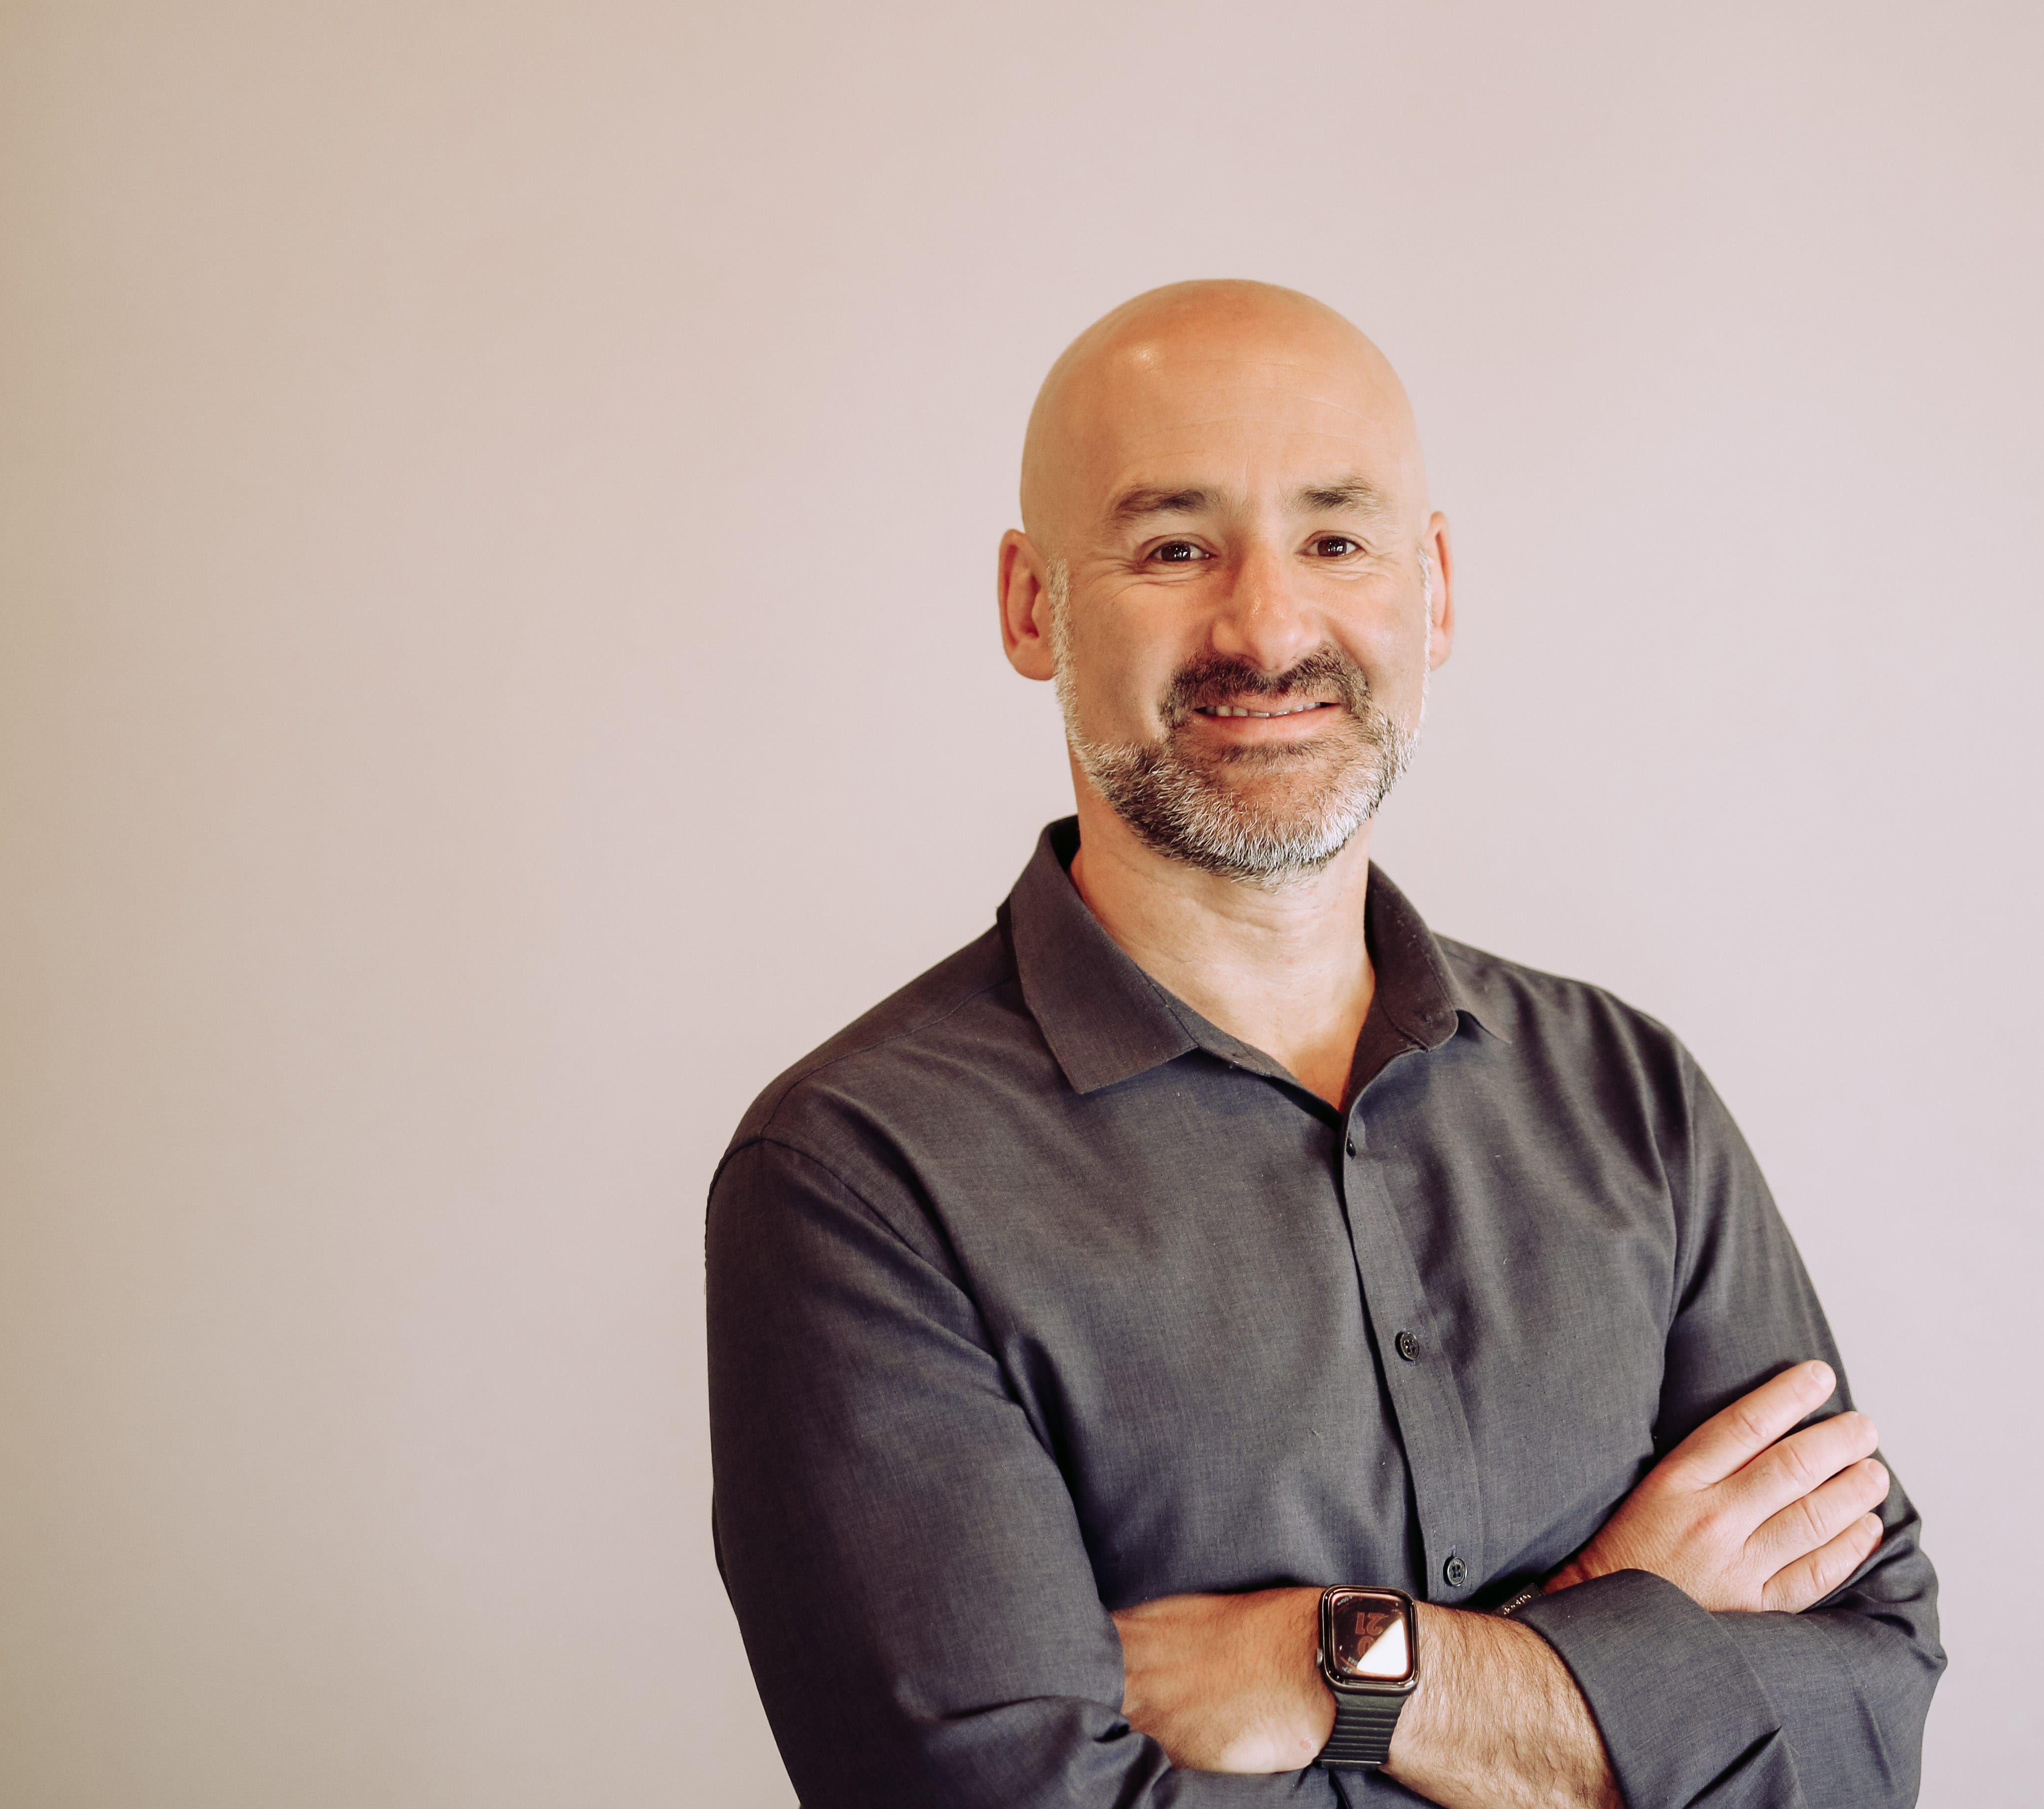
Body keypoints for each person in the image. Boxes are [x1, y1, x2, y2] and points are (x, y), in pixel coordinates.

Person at [705, 280, 1943, 1809]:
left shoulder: (1632, 1098)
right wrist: (1628, 1657)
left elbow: (1859, 1728)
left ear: (1431, 587)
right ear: (1036, 606)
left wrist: (1339, 1667)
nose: (1269, 627)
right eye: (1174, 546)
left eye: (1336, 540)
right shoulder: (858, 1178)